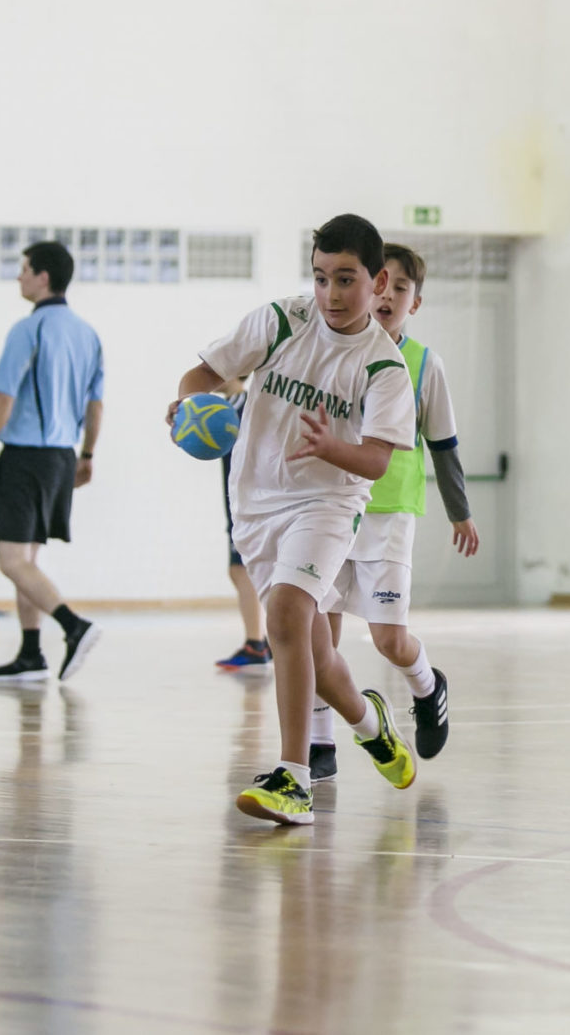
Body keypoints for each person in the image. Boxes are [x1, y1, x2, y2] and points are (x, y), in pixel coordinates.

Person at [174, 213, 421, 826]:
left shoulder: (384, 366)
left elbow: (374, 460)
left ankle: (294, 776)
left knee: (284, 612)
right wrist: (186, 407)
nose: (331, 294)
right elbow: (204, 373)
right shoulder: (281, 321)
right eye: (320, 278)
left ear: (378, 281)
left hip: (330, 503)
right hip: (255, 502)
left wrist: (328, 447)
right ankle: (371, 725)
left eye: (346, 279)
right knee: (313, 650)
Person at [307, 243, 477, 781]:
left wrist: (460, 512)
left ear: (415, 303)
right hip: (331, 508)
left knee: (388, 640)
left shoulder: (425, 364)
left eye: (401, 289)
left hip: (389, 516)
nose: (387, 296)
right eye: (383, 285)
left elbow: (444, 443)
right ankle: (318, 743)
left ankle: (428, 686)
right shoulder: (336, 349)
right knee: (318, 634)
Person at [0, 240, 107, 681]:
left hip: (24, 457)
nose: (19, 276)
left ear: (43, 277)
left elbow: (4, 396)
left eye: (24, 269)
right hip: (61, 458)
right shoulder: (87, 334)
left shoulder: (26, 330)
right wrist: (87, 455)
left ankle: (74, 626)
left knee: (10, 561)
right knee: (27, 558)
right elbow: (96, 405)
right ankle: (31, 654)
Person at [212, 380, 271, 673]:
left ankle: (255, 644)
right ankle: (263, 640)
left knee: (241, 569)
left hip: (246, 504)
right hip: (243, 502)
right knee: (244, 570)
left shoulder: (236, 407)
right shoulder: (242, 405)